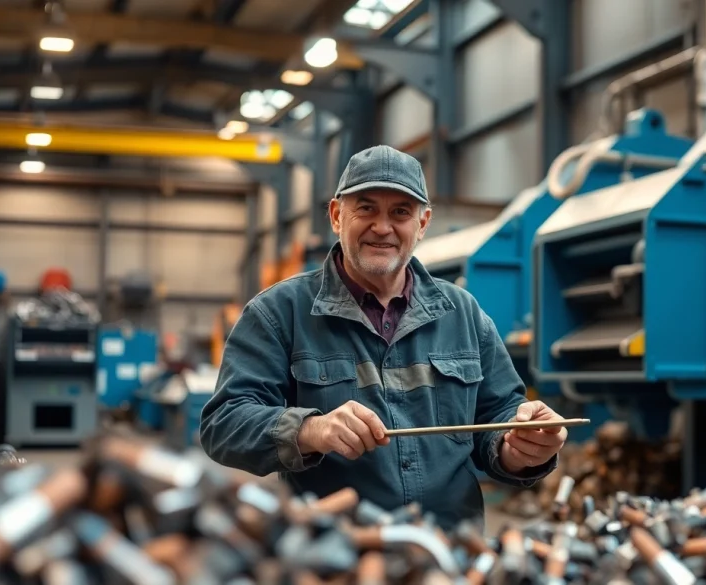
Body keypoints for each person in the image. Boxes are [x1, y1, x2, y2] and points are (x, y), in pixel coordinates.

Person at [200, 145, 568, 529]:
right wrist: (311, 429)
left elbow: (499, 418)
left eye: (400, 213)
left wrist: (520, 446)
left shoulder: (464, 313)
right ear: (336, 215)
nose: (382, 226)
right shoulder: (279, 313)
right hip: (338, 553)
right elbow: (223, 423)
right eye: (366, 208)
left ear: (422, 224)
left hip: (450, 551)